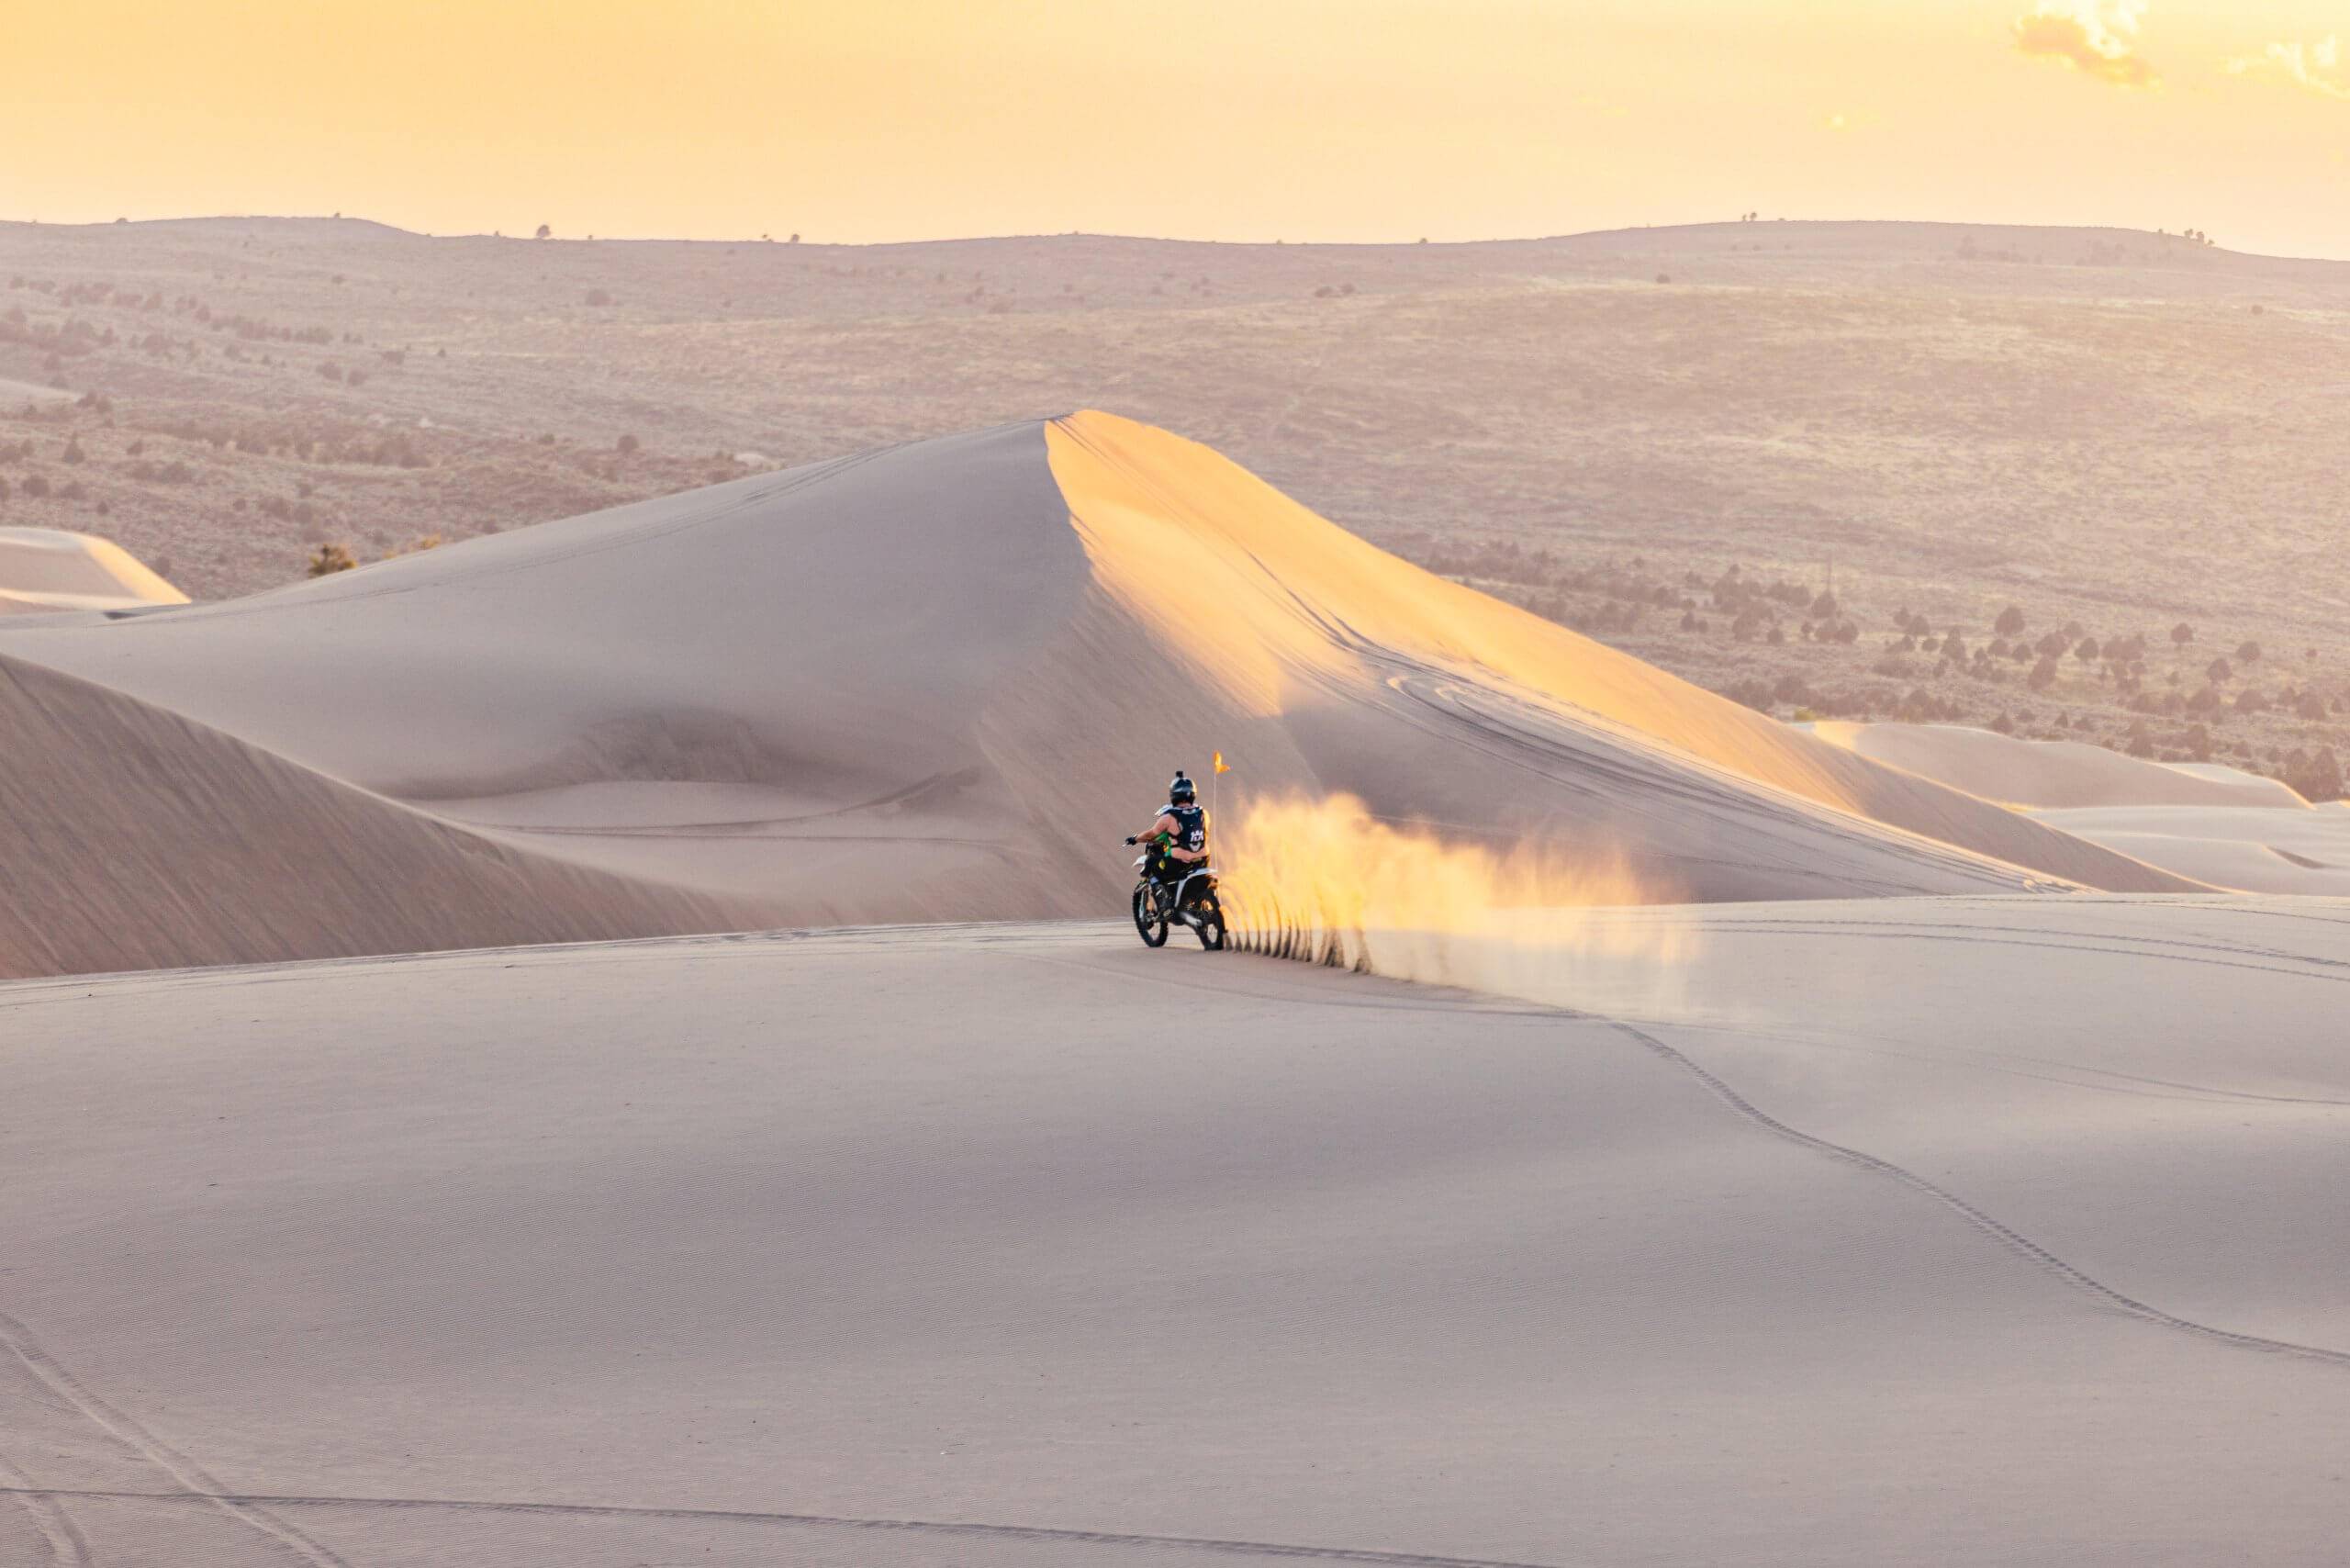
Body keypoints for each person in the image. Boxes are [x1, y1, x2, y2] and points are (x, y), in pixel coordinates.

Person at [1126, 771, 1210, 905]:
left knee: (1152, 864)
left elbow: (1151, 834)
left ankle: (1166, 906)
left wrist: (1135, 838)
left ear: (1174, 795)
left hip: (1178, 862)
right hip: (1202, 860)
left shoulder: (1169, 817)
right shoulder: (1203, 813)